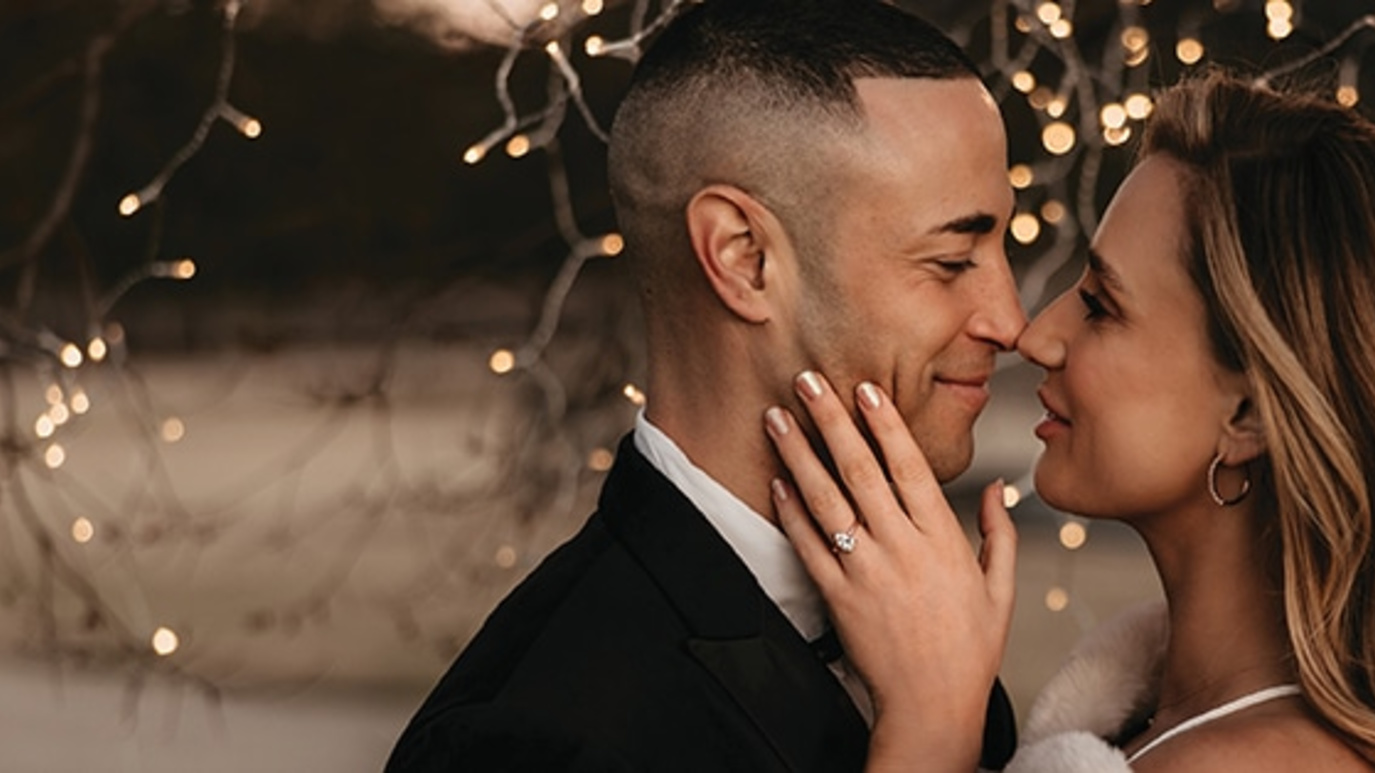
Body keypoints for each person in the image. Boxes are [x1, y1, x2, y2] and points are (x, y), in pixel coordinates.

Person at [765, 71, 1375, 772]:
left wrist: (930, 729)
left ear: (1251, 410)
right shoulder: (1166, 716)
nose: (1038, 334)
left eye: (1102, 305)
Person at [386, 0, 1025, 769]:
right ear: (743, 257)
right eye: (952, 262)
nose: (1009, 320)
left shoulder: (931, 618)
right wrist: (929, 740)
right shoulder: (531, 733)